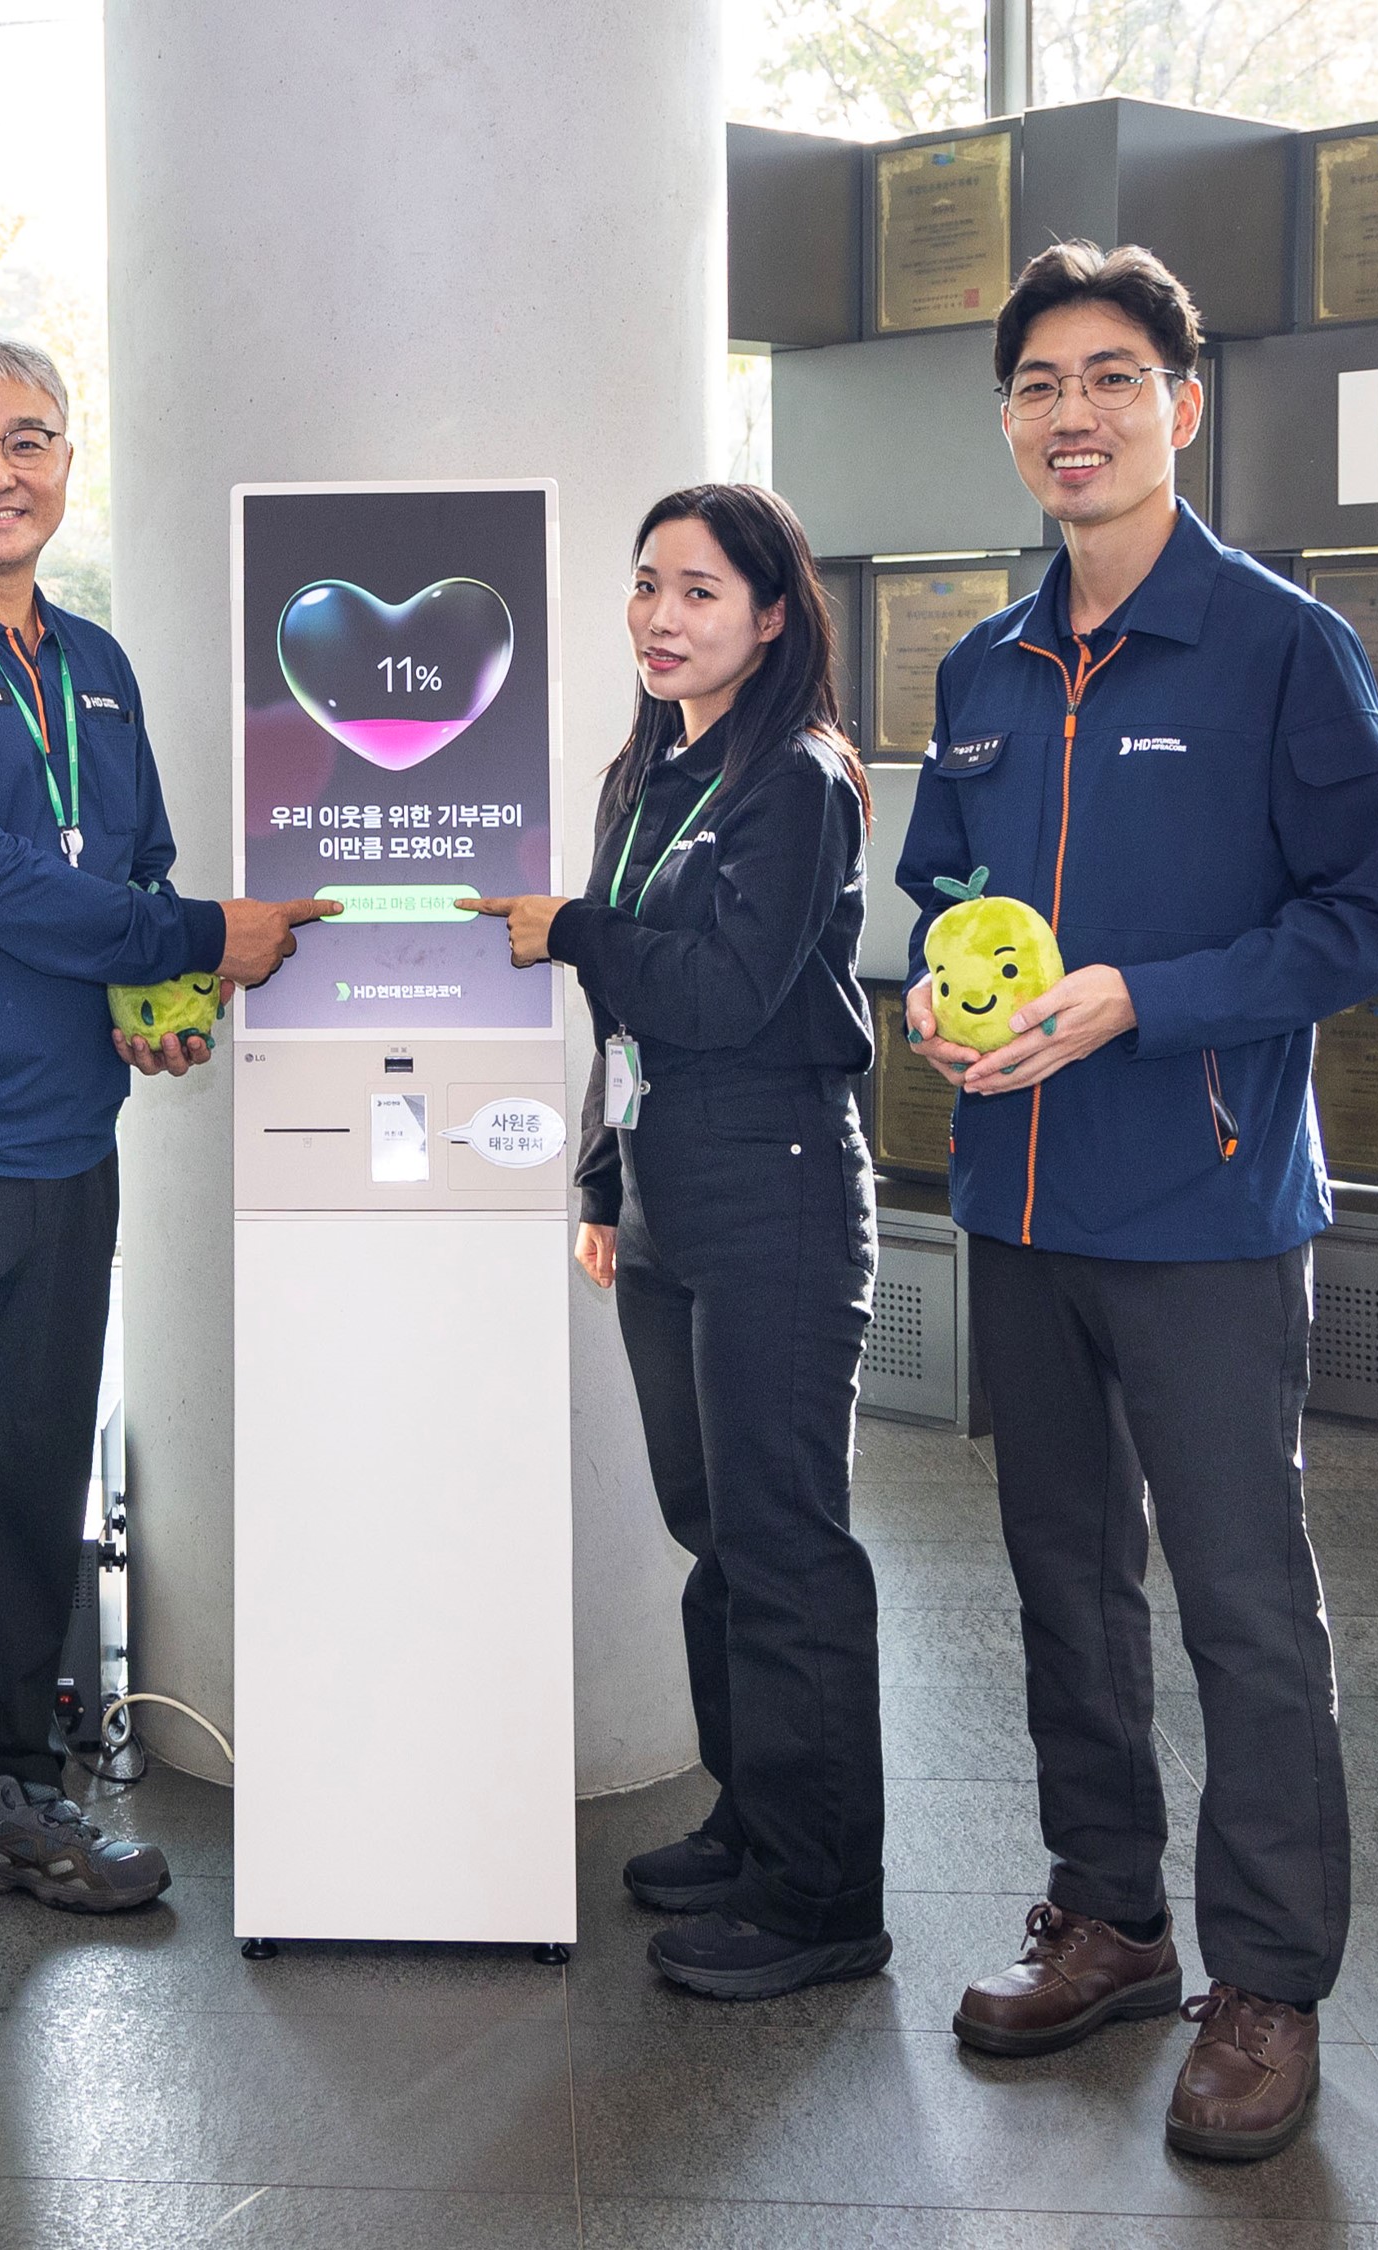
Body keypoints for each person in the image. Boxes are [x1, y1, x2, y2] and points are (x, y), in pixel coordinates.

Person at [895, 241, 1378, 2160]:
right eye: (1041, 384)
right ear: (1011, 420)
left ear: (1182, 405)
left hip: (1206, 1207)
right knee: (1063, 1584)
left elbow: (1377, 916)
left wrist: (1146, 998)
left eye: (1113, 377)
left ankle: (1268, 1979)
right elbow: (941, 883)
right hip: (1023, 1204)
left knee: (1242, 1606)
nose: (1076, 415)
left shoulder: (1280, 645)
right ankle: (1111, 1918)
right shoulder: (982, 665)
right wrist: (943, 994)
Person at [0, 332, 334, 1985]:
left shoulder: (91, 660)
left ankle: (8, 1791)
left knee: (28, 1477)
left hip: (59, 1142)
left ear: (67, 463)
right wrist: (207, 937)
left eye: (28, 438)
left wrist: (157, 999)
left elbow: (132, 861)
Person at [459, 483, 885, 2001]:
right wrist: (599, 1181)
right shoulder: (645, 772)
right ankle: (756, 1820)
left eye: (700, 591)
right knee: (716, 1528)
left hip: (778, 1187)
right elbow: (630, 1026)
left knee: (785, 1543)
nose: (661, 616)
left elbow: (725, 992)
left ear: (771, 616)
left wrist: (574, 926)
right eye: (648, 585)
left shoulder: (800, 778)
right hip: (665, 1191)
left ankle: (824, 1899)